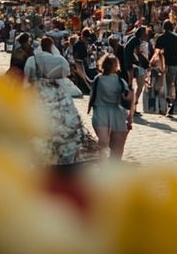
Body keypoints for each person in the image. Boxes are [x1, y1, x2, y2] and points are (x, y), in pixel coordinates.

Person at [24, 37, 95, 165]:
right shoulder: (60, 60)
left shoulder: (31, 60)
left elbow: (28, 77)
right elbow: (66, 74)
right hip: (57, 96)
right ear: (52, 46)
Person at [88, 54, 132, 160]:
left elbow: (92, 93)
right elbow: (130, 100)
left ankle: (102, 169)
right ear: (116, 66)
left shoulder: (98, 79)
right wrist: (130, 119)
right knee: (117, 149)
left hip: (100, 113)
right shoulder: (121, 82)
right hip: (118, 114)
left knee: (102, 146)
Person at [155, 20, 177, 117]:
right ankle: (171, 103)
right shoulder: (175, 38)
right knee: (172, 85)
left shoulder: (160, 38)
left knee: (162, 85)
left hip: (163, 64)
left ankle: (163, 105)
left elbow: (157, 52)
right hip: (174, 63)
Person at [122, 27, 148, 113]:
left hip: (129, 63)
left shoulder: (133, 39)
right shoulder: (136, 40)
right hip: (131, 64)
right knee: (137, 86)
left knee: (132, 86)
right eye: (145, 33)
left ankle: (132, 105)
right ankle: (132, 105)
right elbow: (137, 53)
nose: (146, 34)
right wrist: (145, 63)